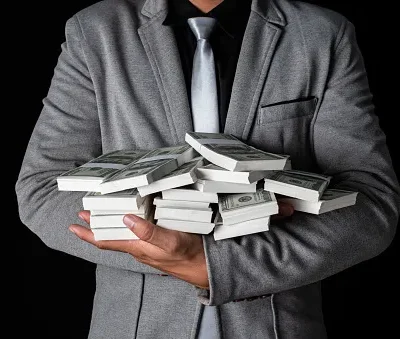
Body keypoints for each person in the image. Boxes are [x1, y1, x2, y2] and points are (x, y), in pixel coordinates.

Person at [16, 0, 399, 338]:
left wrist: (225, 265)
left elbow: (373, 203)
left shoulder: (321, 33)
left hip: (277, 327)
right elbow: (41, 188)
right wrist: (165, 251)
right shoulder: (95, 30)